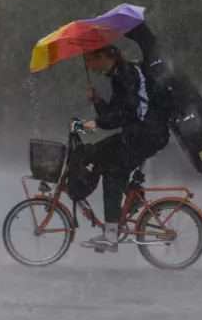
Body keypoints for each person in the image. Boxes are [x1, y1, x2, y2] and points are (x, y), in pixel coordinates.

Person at [70, 43, 171, 252]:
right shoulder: (117, 75)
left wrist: (96, 123)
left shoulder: (127, 74)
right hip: (136, 133)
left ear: (104, 56)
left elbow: (126, 114)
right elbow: (114, 113)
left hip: (148, 134)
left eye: (90, 60)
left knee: (113, 172)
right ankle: (131, 199)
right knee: (98, 153)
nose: (89, 66)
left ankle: (111, 236)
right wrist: (97, 101)